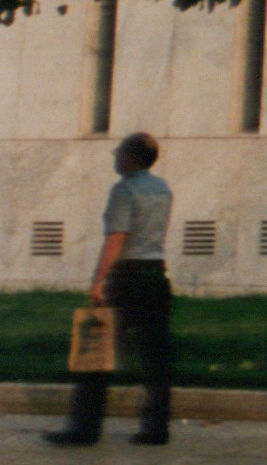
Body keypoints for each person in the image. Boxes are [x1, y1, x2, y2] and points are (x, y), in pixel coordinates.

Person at [45, 132, 173, 447]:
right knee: (155, 355)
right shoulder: (163, 189)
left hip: (127, 277)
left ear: (130, 157)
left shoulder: (124, 190)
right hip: (156, 274)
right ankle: (156, 428)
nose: (115, 158)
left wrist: (98, 280)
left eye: (118, 152)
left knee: (97, 353)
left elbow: (117, 236)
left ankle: (84, 429)